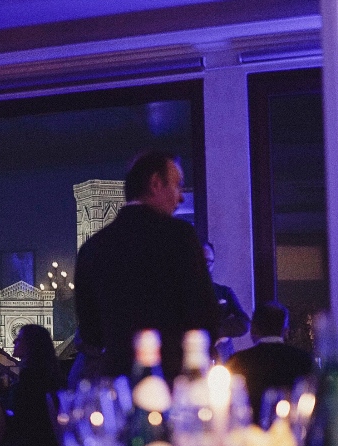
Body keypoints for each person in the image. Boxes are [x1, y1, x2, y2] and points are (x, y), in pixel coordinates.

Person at [74, 150, 219, 382]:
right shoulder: (180, 236)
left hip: (119, 380)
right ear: (155, 183)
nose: (181, 197)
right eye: (178, 185)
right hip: (173, 378)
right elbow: (204, 314)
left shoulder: (92, 248)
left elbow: (91, 333)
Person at [226, 301, 312, 426]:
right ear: (285, 331)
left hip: (249, 433)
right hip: (292, 431)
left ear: (253, 329)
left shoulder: (236, 362)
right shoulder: (304, 360)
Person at [7, 324, 64, 446]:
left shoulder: (30, 379)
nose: (14, 342)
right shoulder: (50, 375)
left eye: (20, 339)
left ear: (32, 345)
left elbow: (23, 418)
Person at [203, 241, 250, 363]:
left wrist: (217, 331)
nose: (205, 265)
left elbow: (244, 323)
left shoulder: (224, 292)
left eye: (208, 261)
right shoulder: (183, 293)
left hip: (221, 356)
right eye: (201, 260)